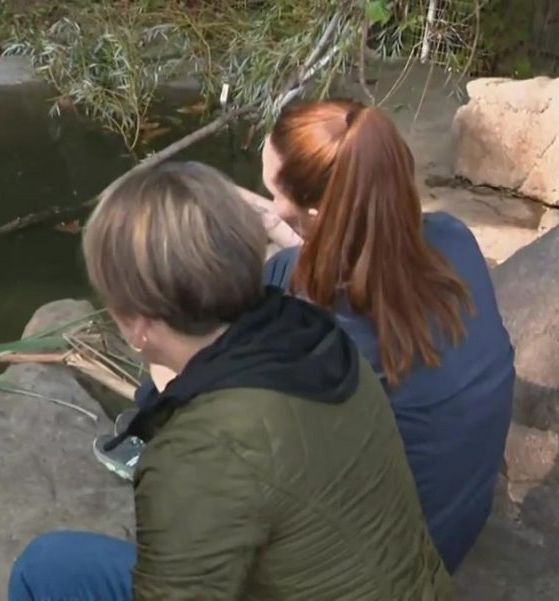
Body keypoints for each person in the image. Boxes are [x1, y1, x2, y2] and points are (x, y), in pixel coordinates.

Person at [98, 98, 516, 574]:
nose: (266, 197)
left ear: (317, 211)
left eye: (272, 188)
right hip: (453, 527)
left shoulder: (314, 338)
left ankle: (144, 439)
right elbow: (358, 260)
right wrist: (283, 225)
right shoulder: (453, 237)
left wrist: (155, 344)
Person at [9, 160, 453, 600]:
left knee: (42, 571)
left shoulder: (198, 454)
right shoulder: (318, 340)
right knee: (50, 565)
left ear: (138, 325)